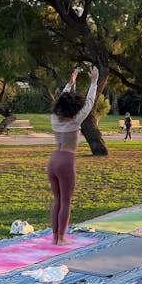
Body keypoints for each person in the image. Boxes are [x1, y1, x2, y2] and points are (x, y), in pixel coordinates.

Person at [48, 64, 99, 245]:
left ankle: (55, 237)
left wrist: (70, 83)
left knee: (57, 200)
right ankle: (61, 238)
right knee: (66, 201)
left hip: (53, 159)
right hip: (66, 161)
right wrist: (94, 81)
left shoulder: (55, 118)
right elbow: (90, 102)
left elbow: (61, 99)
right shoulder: (76, 119)